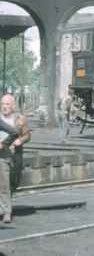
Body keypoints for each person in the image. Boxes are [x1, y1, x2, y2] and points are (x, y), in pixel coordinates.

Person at [0, 94, 31, 224]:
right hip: (2, 155)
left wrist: (20, 140)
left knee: (12, 182)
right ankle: (6, 212)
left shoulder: (20, 119)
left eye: (7, 104)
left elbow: (28, 135)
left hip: (14, 155)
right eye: (2, 104)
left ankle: (4, 207)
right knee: (4, 184)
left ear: (13, 106)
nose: (4, 107)